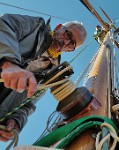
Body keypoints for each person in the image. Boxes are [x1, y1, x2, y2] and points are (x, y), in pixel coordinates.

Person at [0, 13, 87, 142]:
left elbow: (27, 104)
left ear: (70, 51)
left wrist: (16, 121)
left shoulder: (50, 75)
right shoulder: (35, 27)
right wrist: (9, 63)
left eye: (72, 44)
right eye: (67, 35)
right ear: (58, 27)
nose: (66, 42)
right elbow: (5, 24)